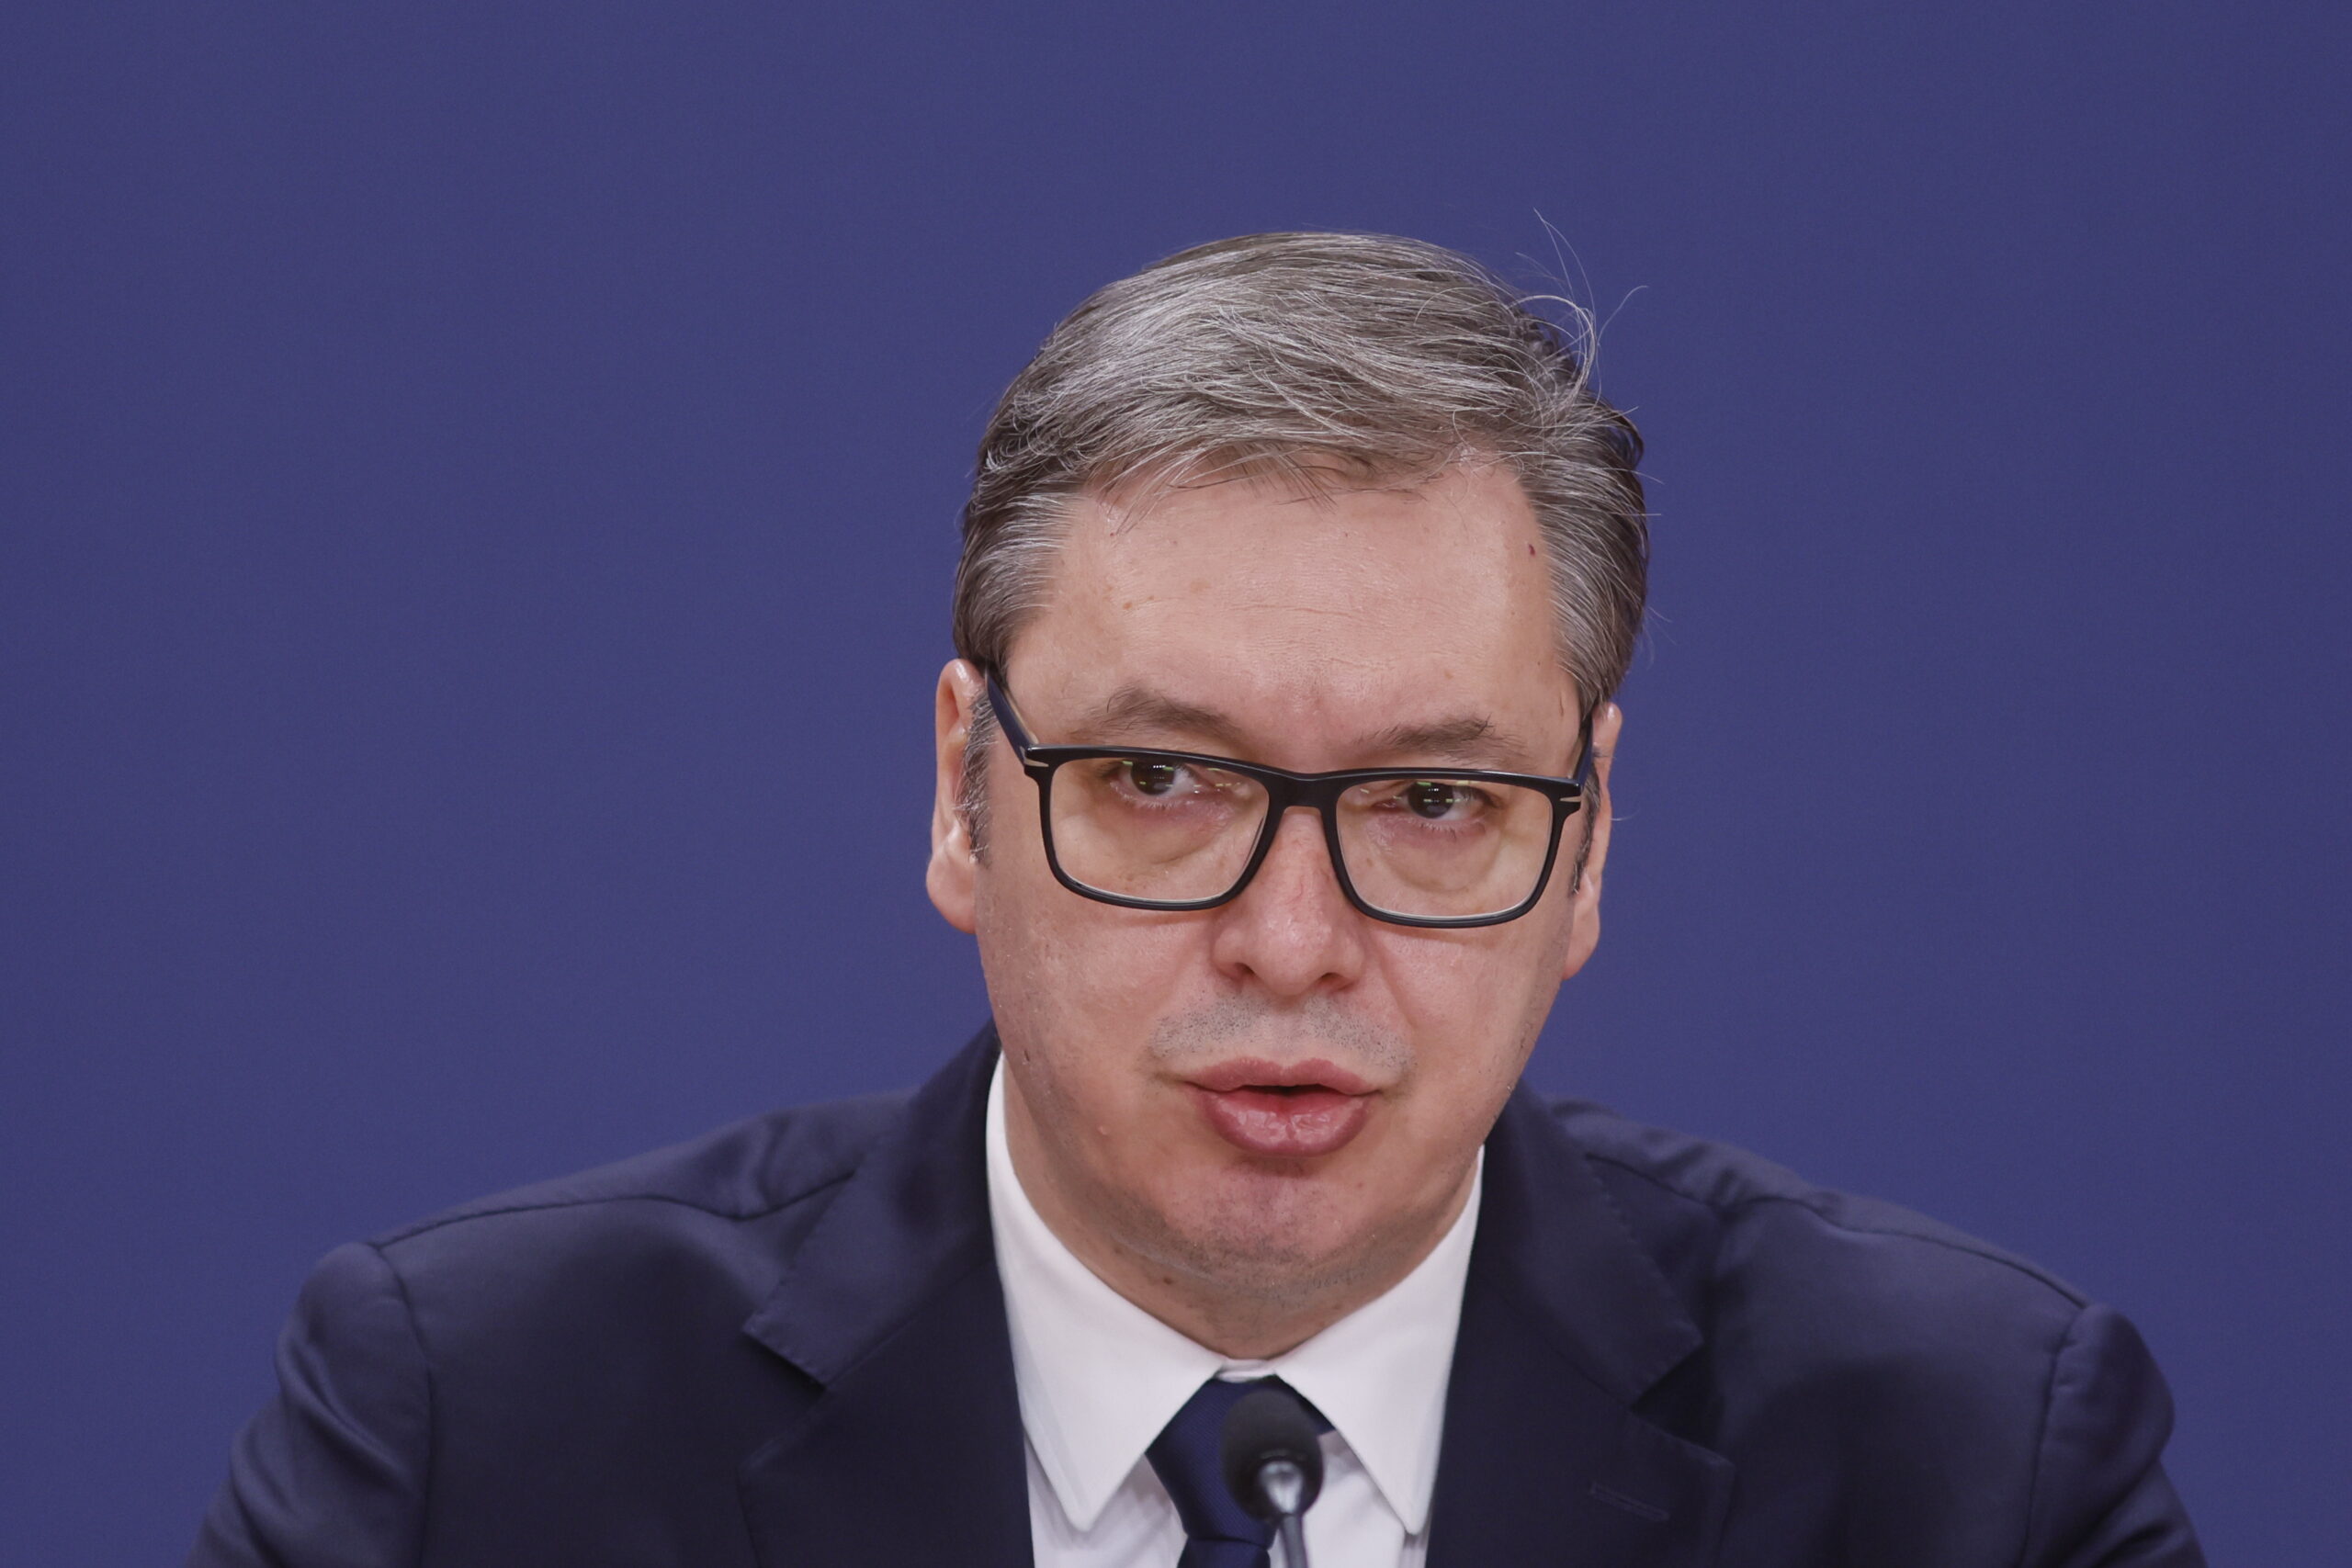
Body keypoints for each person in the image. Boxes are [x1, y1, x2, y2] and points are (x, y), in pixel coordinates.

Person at [189, 232, 2203, 1567]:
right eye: (1161, 781)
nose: (1293, 942)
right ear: (962, 793)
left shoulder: (1970, 1468)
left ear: (1584, 845)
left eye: (1433, 800)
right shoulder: (473, 1430)